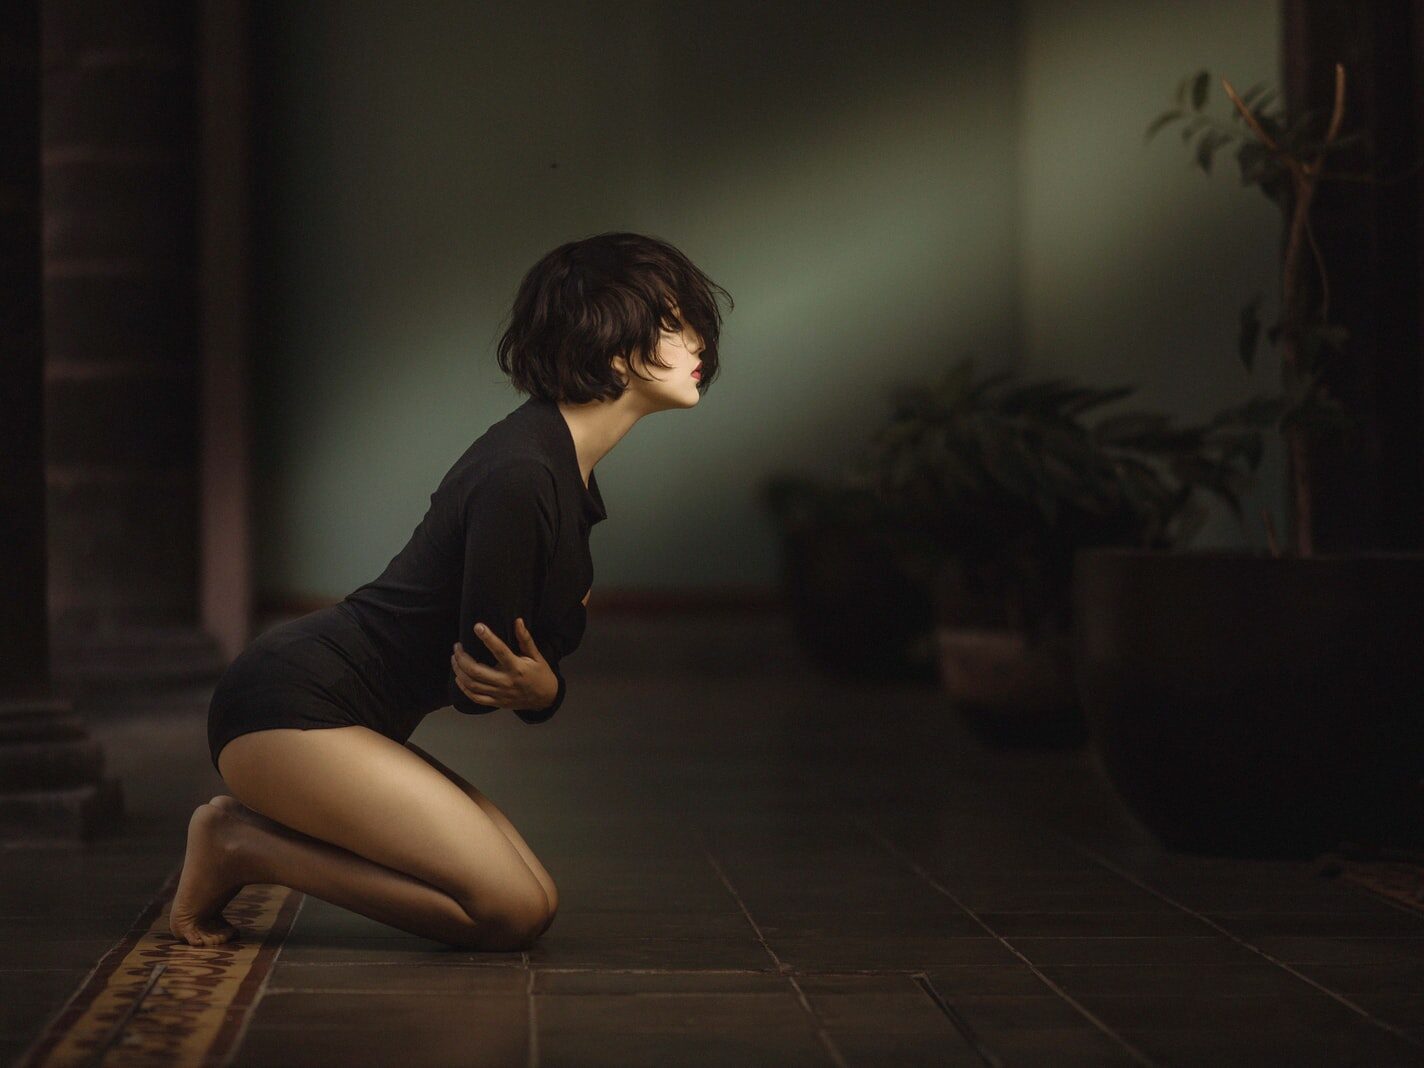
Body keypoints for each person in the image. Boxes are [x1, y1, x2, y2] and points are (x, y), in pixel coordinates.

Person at [169, 232, 730, 950]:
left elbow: (521, 663)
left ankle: (243, 842)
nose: (699, 344)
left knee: (535, 897)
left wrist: (541, 680)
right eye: (675, 323)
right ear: (616, 346)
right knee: (513, 912)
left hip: (346, 713)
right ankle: (241, 846)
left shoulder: (561, 469)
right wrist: (544, 683)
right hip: (288, 708)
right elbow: (482, 674)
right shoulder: (523, 474)